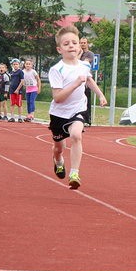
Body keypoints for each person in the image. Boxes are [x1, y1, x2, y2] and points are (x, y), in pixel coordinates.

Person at [48, 25, 107, 190]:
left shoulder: (84, 66)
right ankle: (58, 160)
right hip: (59, 114)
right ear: (59, 49)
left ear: (79, 46)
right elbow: (58, 98)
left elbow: (89, 80)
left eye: (74, 43)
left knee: (76, 135)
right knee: (59, 147)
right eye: (66, 44)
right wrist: (75, 84)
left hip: (78, 109)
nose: (71, 46)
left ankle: (74, 174)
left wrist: (100, 95)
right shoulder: (56, 70)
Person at [79, 37, 95, 126]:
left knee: (86, 100)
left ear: (87, 43)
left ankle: (87, 119)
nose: (83, 44)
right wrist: (79, 53)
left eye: (84, 43)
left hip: (86, 80)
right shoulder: (78, 53)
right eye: (81, 43)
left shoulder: (90, 54)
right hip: (78, 80)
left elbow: (84, 63)